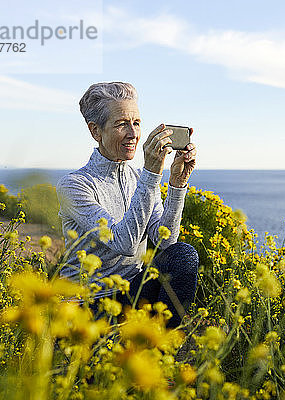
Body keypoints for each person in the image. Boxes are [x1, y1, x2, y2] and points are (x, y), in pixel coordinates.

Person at [56, 81, 198, 328]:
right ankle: (153, 348)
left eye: (137, 123)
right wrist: (152, 173)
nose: (133, 133)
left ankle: (161, 346)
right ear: (96, 131)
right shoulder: (74, 185)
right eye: (122, 124)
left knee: (183, 255)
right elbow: (125, 244)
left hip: (131, 292)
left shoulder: (138, 179)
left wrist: (177, 184)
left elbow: (166, 242)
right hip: (89, 304)